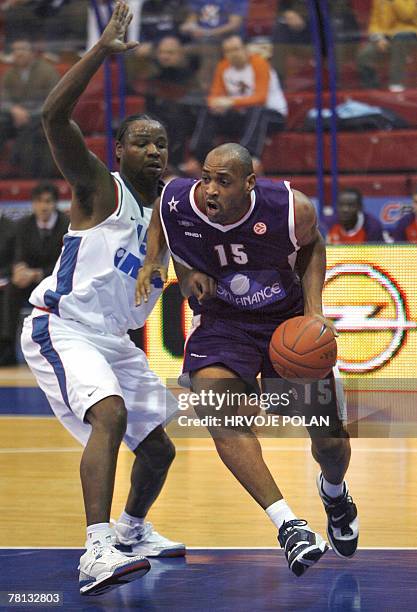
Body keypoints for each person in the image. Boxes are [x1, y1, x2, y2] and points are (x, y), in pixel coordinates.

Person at [20, 2, 184, 597]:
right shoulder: (98, 187)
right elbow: (51, 116)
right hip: (61, 326)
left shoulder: (170, 210)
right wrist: (99, 54)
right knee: (108, 415)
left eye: (162, 144)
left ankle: (133, 531)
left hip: (112, 340)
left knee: (160, 450)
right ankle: (96, 550)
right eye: (142, 143)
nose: (154, 152)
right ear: (118, 153)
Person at [137, 143, 359, 577]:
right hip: (223, 323)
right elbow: (163, 220)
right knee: (216, 409)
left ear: (249, 183)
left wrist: (313, 312)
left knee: (331, 444)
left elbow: (313, 248)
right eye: (206, 177)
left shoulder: (290, 209)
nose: (210, 190)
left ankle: (334, 492)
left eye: (223, 181)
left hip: (285, 325)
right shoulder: (179, 198)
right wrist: (170, 267)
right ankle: (288, 525)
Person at [185, 34, 287, 176]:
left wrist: (231, 102)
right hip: (243, 115)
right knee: (208, 111)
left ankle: (249, 156)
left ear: (245, 49)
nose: (233, 54)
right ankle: (198, 157)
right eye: (228, 51)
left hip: (273, 114)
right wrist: (216, 104)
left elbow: (261, 98)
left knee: (257, 111)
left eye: (236, 49)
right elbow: (214, 96)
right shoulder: (223, 66)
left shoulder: (259, 63)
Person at [0, 182, 68, 367]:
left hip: (56, 280)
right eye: (39, 202)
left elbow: (66, 262)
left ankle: (63, 351)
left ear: (55, 203)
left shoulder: (67, 225)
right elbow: (18, 255)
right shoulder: (23, 225)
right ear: (33, 204)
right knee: (12, 288)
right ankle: (6, 347)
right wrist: (19, 270)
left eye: (48, 201)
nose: (43, 206)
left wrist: (37, 274)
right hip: (30, 281)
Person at [0, 39, 60, 177]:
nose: (18, 53)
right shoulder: (9, 74)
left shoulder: (47, 71)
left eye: (22, 49)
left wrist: (28, 114)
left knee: (31, 128)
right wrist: (14, 109)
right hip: (15, 116)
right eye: (15, 50)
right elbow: (3, 98)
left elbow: (54, 100)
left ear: (32, 53)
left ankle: (23, 170)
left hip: (40, 116)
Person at [357, 0, 417, 91]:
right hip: (386, 36)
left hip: (409, 34)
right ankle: (371, 88)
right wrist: (379, 38)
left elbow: (406, 15)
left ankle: (396, 83)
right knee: (364, 55)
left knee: (400, 38)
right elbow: (375, 22)